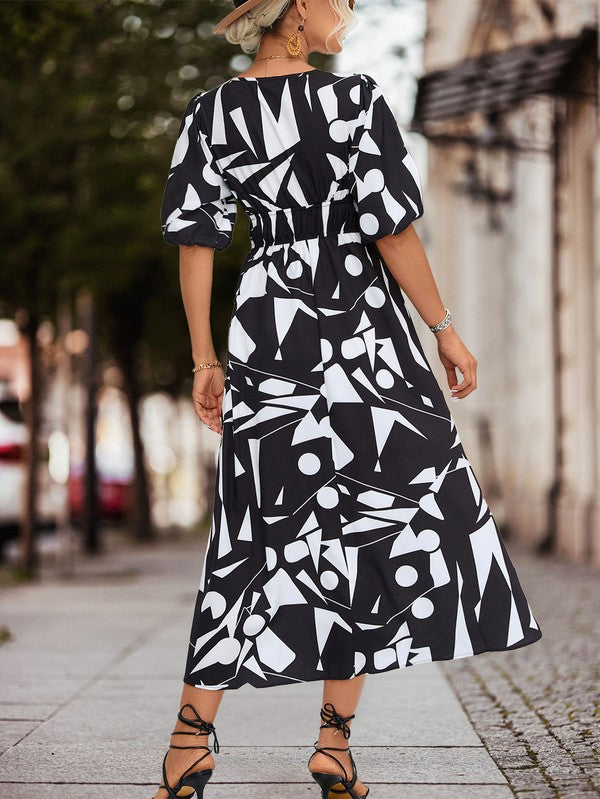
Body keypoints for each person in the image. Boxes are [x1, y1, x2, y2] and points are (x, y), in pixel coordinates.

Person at [156, 1, 542, 797]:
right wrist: (445, 328)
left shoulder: (211, 112)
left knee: (256, 522)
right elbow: (391, 230)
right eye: (344, 1)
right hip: (362, 329)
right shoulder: (353, 99)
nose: (352, 16)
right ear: (299, 8)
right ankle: (332, 742)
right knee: (387, 511)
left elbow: (198, 238)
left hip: (269, 325)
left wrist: (203, 355)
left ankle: (190, 742)